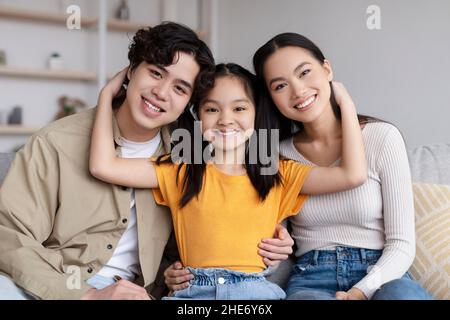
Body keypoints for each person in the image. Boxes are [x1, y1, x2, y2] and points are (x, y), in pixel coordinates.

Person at [0, 22, 292, 300]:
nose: (162, 93)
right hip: (59, 284)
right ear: (131, 70)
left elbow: (254, 170)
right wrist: (85, 294)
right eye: (155, 73)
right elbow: (9, 235)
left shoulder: (191, 144)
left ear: (189, 103)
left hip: (139, 291)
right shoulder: (58, 142)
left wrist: (278, 237)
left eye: (180, 88)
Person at [89, 61, 367, 300]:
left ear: (256, 113)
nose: (225, 120)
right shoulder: (181, 171)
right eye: (212, 109)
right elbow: (103, 166)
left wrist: (345, 105)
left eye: (239, 109)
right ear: (197, 116)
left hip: (255, 294)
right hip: (192, 292)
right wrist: (107, 97)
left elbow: (352, 175)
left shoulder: (278, 173)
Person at [251, 32, 433, 300]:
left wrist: (362, 290)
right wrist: (278, 248)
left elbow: (402, 244)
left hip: (382, 275)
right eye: (280, 86)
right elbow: (267, 240)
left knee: (402, 294)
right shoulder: (274, 154)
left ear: (327, 70)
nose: (298, 90)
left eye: (304, 72)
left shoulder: (382, 137)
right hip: (311, 278)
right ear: (271, 97)